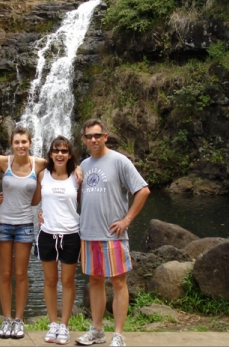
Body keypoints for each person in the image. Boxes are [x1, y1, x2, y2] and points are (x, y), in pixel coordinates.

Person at [0, 126, 82, 339]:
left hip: (25, 224)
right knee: (5, 274)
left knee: (21, 274)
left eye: (24, 142)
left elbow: (62, 162)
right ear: (12, 144)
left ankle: (20, 320)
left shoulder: (39, 163)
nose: (21, 145)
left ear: (30, 143)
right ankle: (7, 319)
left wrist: (78, 167)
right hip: (3, 224)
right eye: (17, 142)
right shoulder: (4, 161)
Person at [75, 119, 150, 347]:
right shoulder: (84, 166)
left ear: (105, 136)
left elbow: (143, 190)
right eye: (89, 136)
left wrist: (127, 220)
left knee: (118, 283)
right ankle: (97, 330)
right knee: (95, 281)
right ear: (84, 140)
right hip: (88, 235)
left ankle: (118, 334)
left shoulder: (119, 161)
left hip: (113, 236)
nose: (93, 139)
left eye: (97, 135)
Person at [31, 136, 81, 345]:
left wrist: (77, 167)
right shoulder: (42, 175)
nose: (60, 154)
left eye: (64, 151)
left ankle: (65, 325)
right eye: (56, 150)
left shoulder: (77, 177)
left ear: (69, 155)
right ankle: (53, 323)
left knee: (68, 281)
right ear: (50, 154)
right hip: (47, 234)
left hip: (71, 234)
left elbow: (86, 203)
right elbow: (34, 200)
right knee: (50, 281)